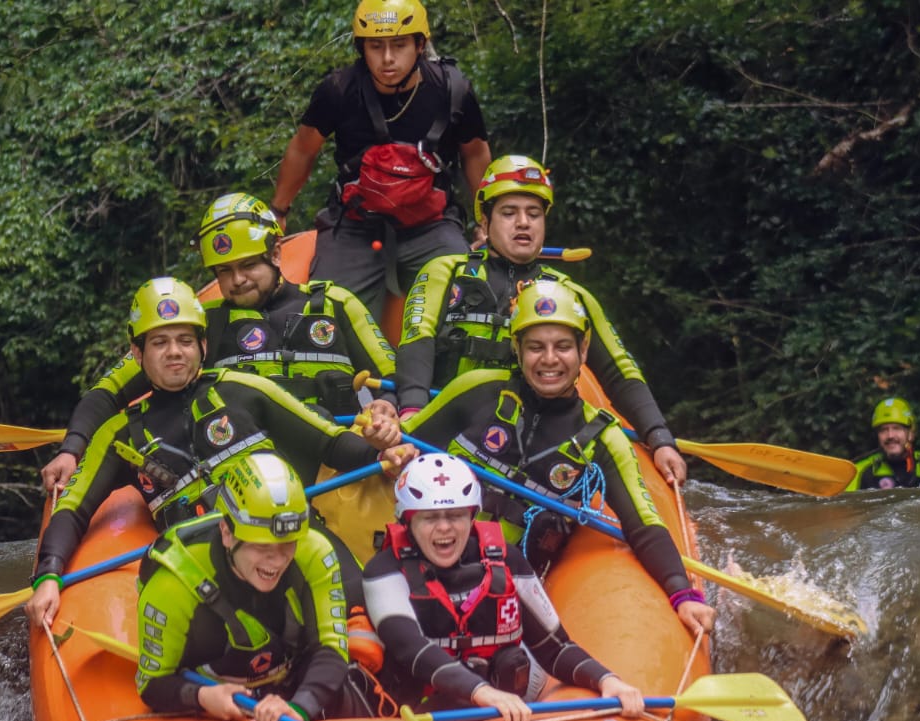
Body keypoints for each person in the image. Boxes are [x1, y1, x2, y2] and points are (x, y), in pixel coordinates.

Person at [25, 277, 396, 632]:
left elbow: (329, 442)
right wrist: (49, 576)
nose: (174, 352)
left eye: (185, 340)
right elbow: (72, 509)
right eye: (159, 343)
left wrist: (381, 451)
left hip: (288, 537)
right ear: (137, 353)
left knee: (341, 581)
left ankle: (361, 636)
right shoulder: (119, 434)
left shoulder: (242, 388)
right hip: (210, 566)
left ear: (203, 347)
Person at [395, 278, 716, 637]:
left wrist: (682, 594)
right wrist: (383, 436)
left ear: (583, 350)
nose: (549, 359)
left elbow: (643, 525)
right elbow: (399, 447)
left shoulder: (603, 439)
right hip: (422, 566)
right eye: (536, 347)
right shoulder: (477, 390)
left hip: (504, 589)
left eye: (563, 346)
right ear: (517, 350)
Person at [40, 194, 402, 492]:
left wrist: (386, 406)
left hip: (343, 464)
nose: (237, 280)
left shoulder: (335, 303)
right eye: (224, 271)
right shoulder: (199, 325)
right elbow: (108, 392)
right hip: (250, 478)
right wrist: (72, 450)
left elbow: (394, 377)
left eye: (247, 266)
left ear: (276, 254)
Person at [393, 154, 688, 484]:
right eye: (509, 213)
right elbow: (416, 340)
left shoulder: (566, 293)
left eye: (533, 214)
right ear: (485, 224)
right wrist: (414, 417)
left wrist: (659, 437)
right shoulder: (445, 272)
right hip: (445, 429)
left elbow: (620, 371)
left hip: (524, 446)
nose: (523, 222)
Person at [361, 453, 646, 721]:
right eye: (430, 518)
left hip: (499, 702)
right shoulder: (384, 571)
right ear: (408, 522)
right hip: (421, 713)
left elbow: (555, 648)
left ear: (472, 517)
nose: (445, 527)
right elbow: (412, 649)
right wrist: (482, 692)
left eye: (456, 515)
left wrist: (606, 679)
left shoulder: (505, 559)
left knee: (518, 662)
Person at [270, 0, 492, 317]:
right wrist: (278, 210)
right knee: (326, 319)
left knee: (468, 302)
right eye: (376, 46)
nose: (387, 58)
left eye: (399, 45)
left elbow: (475, 153)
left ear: (419, 44)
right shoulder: (339, 90)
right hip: (355, 225)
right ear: (362, 48)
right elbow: (303, 148)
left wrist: (487, 220)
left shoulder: (452, 91)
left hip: (431, 225)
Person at [135, 452, 373, 721]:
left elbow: (331, 648)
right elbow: (151, 684)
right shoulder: (171, 583)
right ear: (227, 532)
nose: (277, 560)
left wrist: (300, 707)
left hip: (292, 676)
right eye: (262, 546)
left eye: (287, 544)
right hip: (215, 694)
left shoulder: (313, 552)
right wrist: (201, 697)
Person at [845, 398, 920, 490]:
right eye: (883, 430)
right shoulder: (860, 471)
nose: (890, 435)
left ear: (911, 434)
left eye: (897, 428)